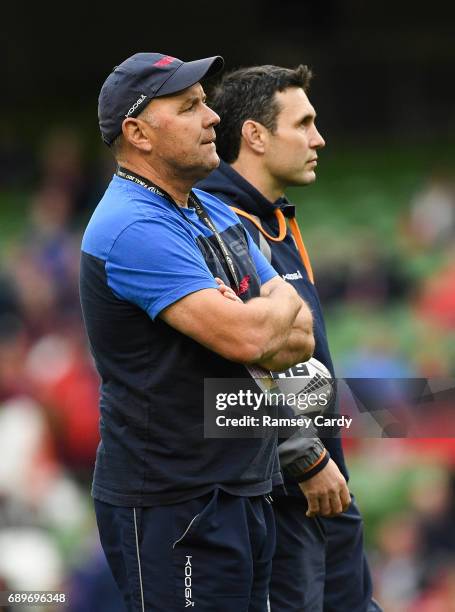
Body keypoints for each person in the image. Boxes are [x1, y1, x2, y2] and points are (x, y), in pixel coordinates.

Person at [79, 52, 315, 612]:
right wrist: (276, 300)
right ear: (138, 134)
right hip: (174, 504)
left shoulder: (210, 208)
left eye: (206, 102)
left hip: (239, 487)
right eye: (189, 107)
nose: (212, 117)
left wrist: (275, 306)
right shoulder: (134, 225)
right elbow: (252, 342)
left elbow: (301, 334)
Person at [197, 65, 382, 611]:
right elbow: (227, 375)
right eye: (304, 123)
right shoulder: (216, 229)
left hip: (324, 492)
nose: (318, 138)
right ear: (255, 135)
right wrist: (304, 456)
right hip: (281, 496)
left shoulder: (273, 222)